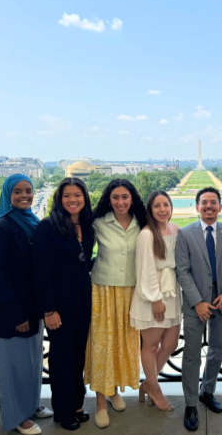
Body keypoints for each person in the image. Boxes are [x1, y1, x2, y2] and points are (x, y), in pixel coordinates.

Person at [0, 174, 52, 435]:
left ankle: (31, 406)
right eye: (18, 192)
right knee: (11, 368)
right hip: (11, 314)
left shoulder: (32, 223)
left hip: (32, 309)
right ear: (8, 195)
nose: (25, 196)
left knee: (31, 363)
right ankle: (15, 417)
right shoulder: (0, 228)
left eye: (29, 191)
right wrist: (17, 314)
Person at [175, 187, 222, 432]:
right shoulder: (185, 233)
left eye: (213, 202)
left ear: (220, 207)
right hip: (196, 305)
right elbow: (182, 270)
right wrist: (197, 301)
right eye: (204, 202)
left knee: (216, 350)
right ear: (197, 207)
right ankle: (191, 404)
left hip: (221, 303)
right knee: (192, 355)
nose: (209, 206)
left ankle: (207, 391)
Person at [84, 179, 147, 428]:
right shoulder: (97, 223)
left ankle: (113, 390)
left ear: (132, 198)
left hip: (131, 291)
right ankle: (100, 400)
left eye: (125, 197)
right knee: (103, 345)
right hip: (103, 290)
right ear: (108, 199)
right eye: (115, 197)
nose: (120, 202)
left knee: (123, 344)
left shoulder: (142, 223)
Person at [34, 178, 94, 431]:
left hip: (83, 303)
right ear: (59, 198)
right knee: (62, 361)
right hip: (59, 307)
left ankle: (77, 405)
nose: (73, 200)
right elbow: (40, 270)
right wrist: (48, 310)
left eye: (77, 195)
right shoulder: (48, 227)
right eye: (67, 195)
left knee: (78, 358)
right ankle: (64, 410)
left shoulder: (87, 225)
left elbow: (82, 263)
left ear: (84, 198)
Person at [130, 190, 181, 412]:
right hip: (153, 295)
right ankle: (155, 389)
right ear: (150, 210)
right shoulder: (147, 234)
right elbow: (146, 270)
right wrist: (155, 299)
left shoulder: (176, 229)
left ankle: (148, 384)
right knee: (150, 346)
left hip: (173, 294)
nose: (162, 209)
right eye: (157, 206)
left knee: (170, 344)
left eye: (166, 205)